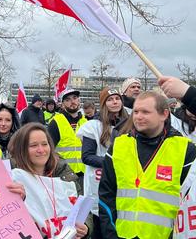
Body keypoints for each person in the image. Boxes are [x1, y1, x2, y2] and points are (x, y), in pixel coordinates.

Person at [98, 91, 196, 239]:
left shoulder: (185, 149)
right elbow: (106, 195)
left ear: (164, 114)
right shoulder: (119, 145)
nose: (138, 116)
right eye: (136, 111)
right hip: (122, 235)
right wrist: (111, 234)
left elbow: (190, 202)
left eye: (145, 112)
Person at [10, 123, 91, 239]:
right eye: (33, 145)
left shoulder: (64, 172)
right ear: (22, 149)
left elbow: (83, 208)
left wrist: (86, 227)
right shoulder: (12, 179)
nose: (41, 150)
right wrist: (17, 201)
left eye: (44, 144)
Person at [77, 87, 128, 239]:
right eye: (110, 99)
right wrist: (112, 162)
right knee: (101, 226)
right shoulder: (93, 126)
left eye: (117, 98)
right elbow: (87, 156)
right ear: (104, 103)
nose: (114, 102)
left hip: (123, 183)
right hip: (98, 183)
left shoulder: (130, 124)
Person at [48, 89, 87, 178]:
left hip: (84, 172)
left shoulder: (85, 122)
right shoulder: (56, 122)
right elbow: (49, 150)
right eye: (67, 100)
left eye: (75, 98)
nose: (72, 102)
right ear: (62, 104)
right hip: (64, 174)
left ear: (79, 100)